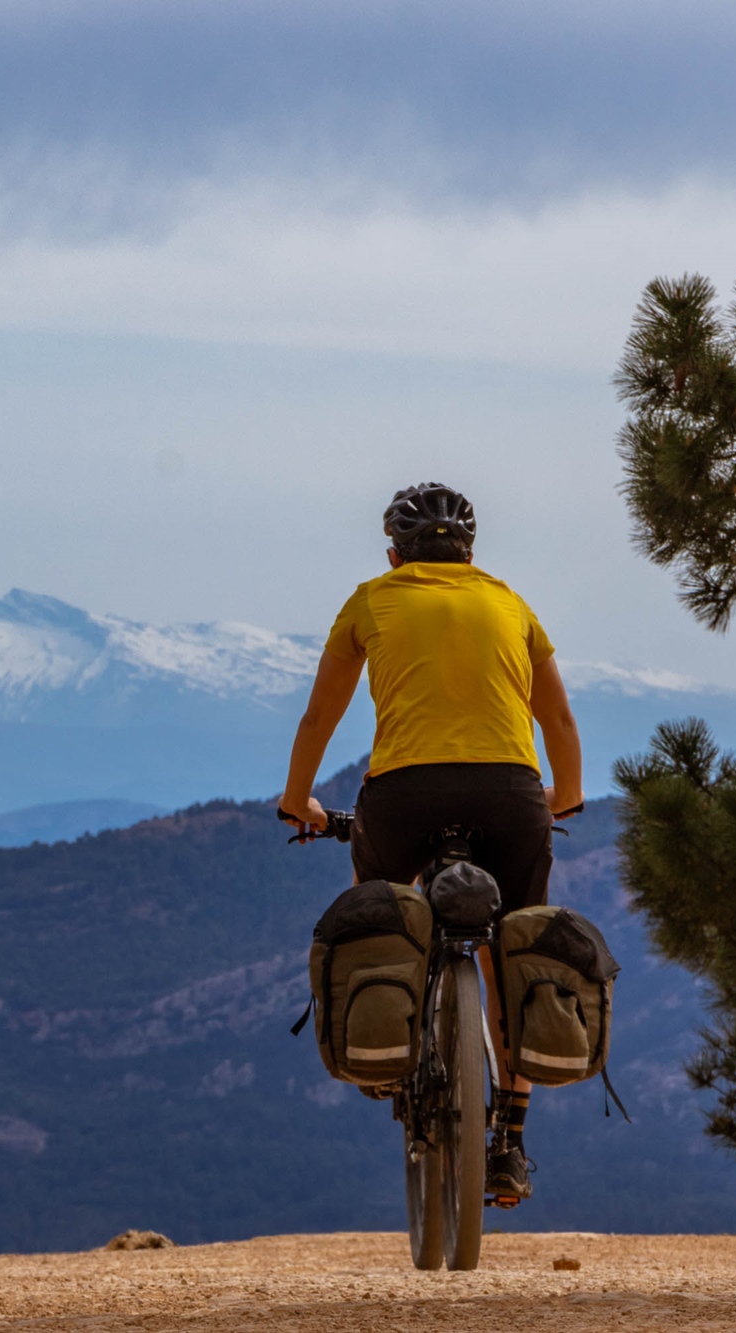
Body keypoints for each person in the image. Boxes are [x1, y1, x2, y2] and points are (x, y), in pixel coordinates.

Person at [277, 483, 583, 1205]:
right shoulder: (512, 604)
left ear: (395, 555)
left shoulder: (370, 600)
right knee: (514, 946)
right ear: (471, 555)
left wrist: (298, 801)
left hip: (403, 795)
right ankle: (509, 1142)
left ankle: (386, 1034)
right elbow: (559, 722)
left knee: (380, 909)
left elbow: (319, 717)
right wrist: (563, 797)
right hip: (511, 792)